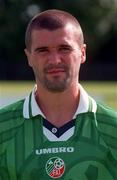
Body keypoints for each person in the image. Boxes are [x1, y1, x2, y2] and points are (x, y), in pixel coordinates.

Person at [0, 9, 117, 180]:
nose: (54, 60)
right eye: (43, 50)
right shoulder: (3, 129)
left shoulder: (113, 130)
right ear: (29, 57)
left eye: (64, 48)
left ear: (82, 53)